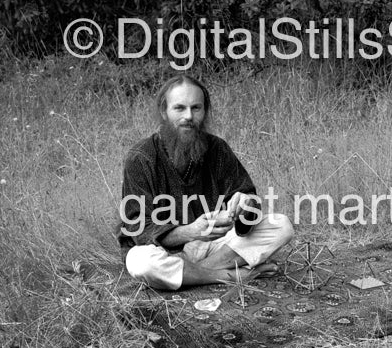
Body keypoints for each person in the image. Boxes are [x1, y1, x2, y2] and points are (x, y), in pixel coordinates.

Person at [119, 74, 293, 290]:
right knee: (142, 263)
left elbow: (248, 204)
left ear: (205, 111)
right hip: (164, 250)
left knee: (281, 225)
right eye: (179, 108)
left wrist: (245, 205)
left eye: (196, 108)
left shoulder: (217, 149)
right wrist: (192, 231)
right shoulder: (141, 158)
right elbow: (138, 228)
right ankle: (231, 276)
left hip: (213, 246)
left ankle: (193, 273)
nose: (189, 116)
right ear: (164, 112)